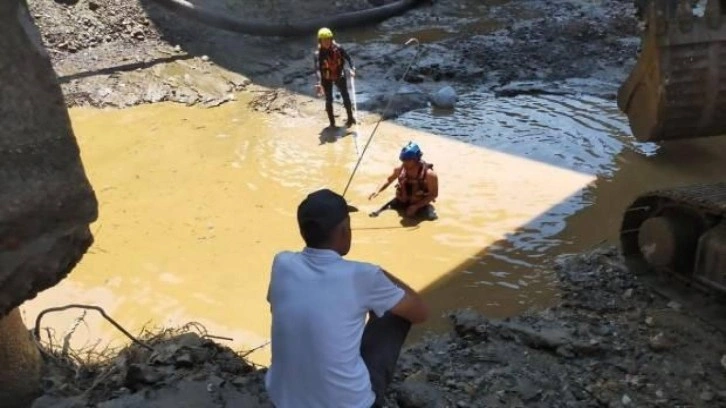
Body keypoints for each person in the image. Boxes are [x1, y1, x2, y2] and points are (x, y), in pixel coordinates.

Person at [265, 189, 429, 408]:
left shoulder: (281, 263)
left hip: (283, 400)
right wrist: (380, 273)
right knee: (394, 313)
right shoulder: (364, 276)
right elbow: (420, 312)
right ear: (344, 230)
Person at [368, 141, 439, 220]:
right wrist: (377, 190)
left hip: (420, 204)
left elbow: (433, 195)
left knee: (432, 218)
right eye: (403, 160)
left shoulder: (430, 175)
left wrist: (416, 206)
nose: (404, 163)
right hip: (401, 201)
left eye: (408, 160)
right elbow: (388, 179)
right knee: (375, 213)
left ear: (416, 159)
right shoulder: (400, 169)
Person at [314, 27, 357, 128]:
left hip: (339, 74)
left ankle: (350, 119)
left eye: (328, 39)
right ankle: (332, 123)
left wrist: (352, 68)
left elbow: (348, 58)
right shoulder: (318, 54)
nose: (327, 42)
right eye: (324, 40)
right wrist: (319, 83)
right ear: (320, 41)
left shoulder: (338, 48)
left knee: (345, 96)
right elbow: (317, 69)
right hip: (326, 78)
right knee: (329, 100)